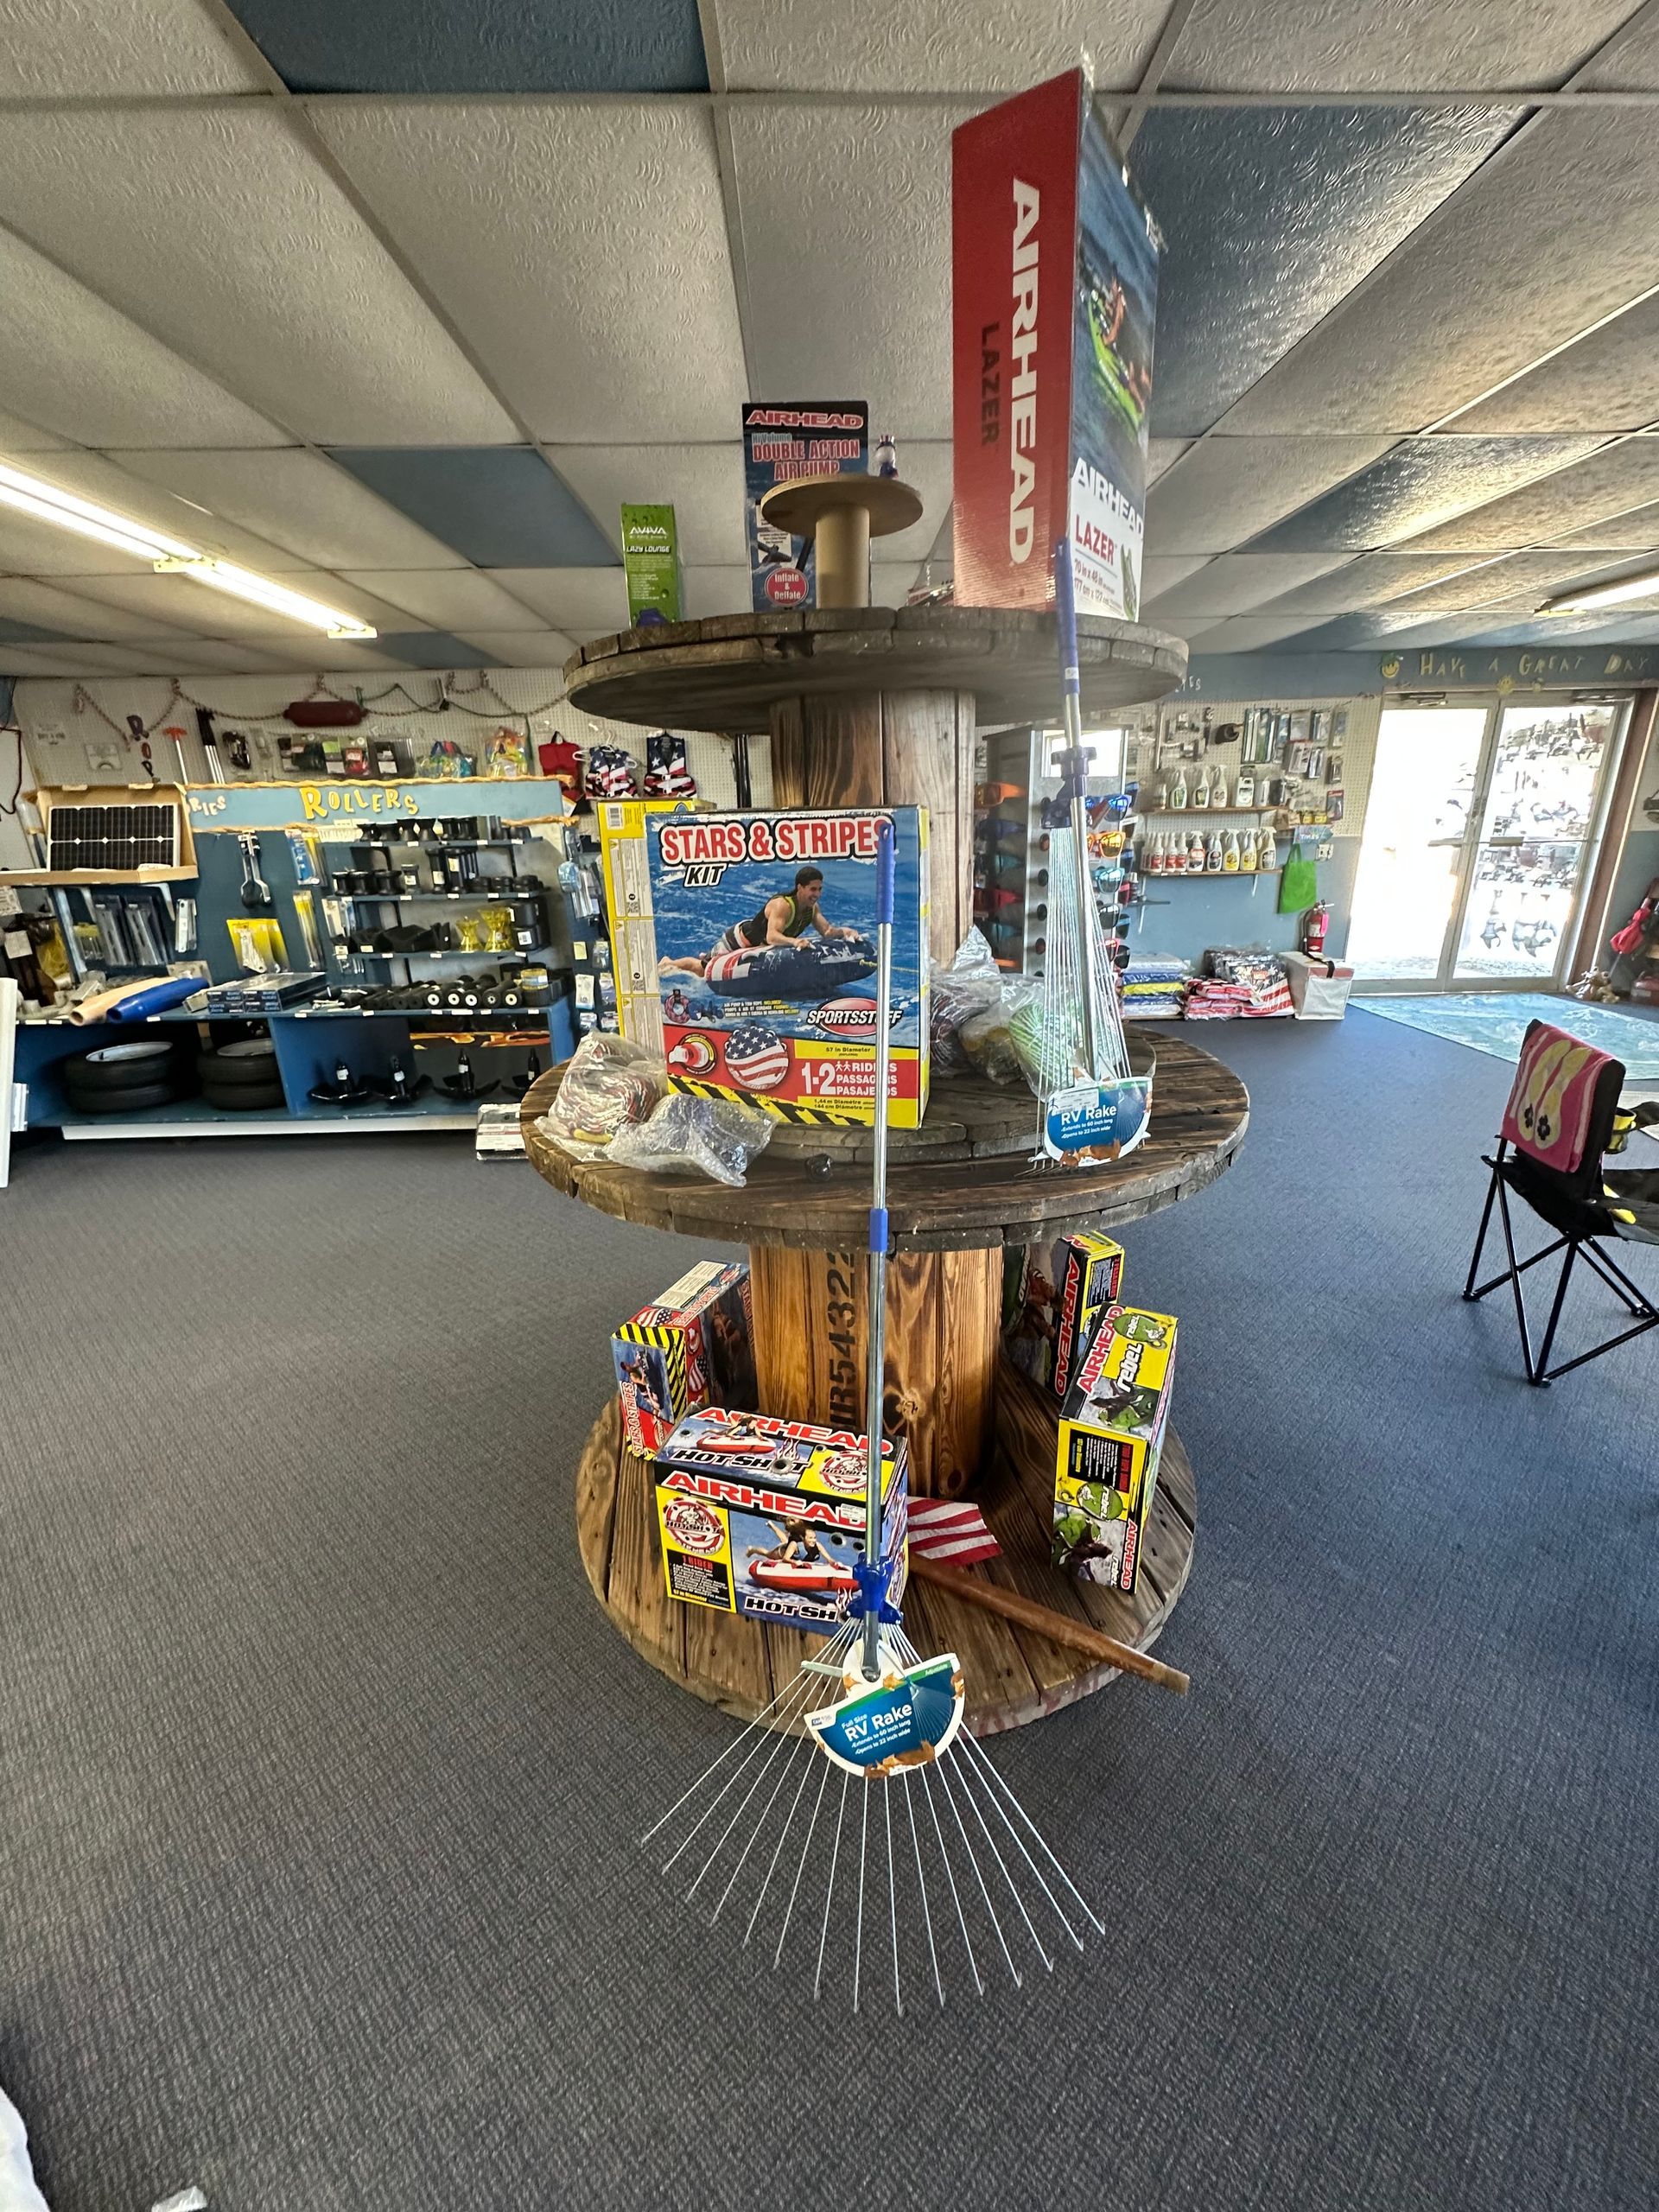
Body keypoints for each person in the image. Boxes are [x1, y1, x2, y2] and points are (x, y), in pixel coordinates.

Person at [659, 867, 858, 978]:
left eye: (820, 889)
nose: (817, 894)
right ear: (800, 887)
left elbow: (827, 931)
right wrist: (795, 942)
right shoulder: (783, 905)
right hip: (741, 940)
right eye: (813, 889)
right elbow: (772, 936)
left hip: (761, 947)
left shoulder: (812, 909)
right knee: (703, 970)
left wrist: (845, 931)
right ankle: (670, 963)